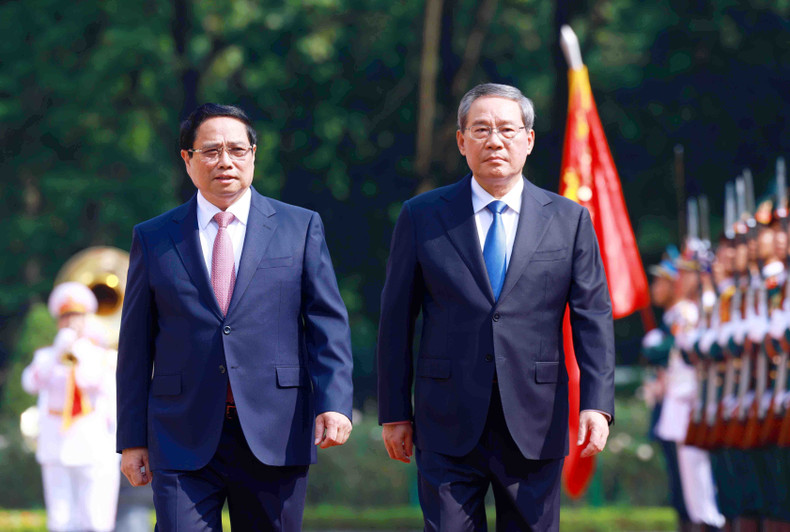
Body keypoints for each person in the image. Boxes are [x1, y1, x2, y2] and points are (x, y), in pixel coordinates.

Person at [376, 83, 615, 531]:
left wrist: (597, 405)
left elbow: (593, 319)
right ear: (461, 140)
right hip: (445, 419)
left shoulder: (568, 219)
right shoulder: (422, 215)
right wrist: (394, 411)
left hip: (536, 417)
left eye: (507, 129)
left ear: (529, 139)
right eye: (481, 129)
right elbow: (396, 321)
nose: (495, 141)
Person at [116, 103, 353, 531]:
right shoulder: (154, 237)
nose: (225, 161)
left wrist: (334, 403)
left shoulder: (299, 227)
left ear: (253, 155)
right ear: (187, 159)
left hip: (276, 430)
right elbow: (135, 347)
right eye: (211, 151)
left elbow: (327, 325)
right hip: (181, 432)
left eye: (237, 150)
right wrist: (132, 440)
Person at [22, 282, 120, 532]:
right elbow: (30, 383)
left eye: (77, 317)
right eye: (66, 317)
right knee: (60, 520)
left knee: (95, 519)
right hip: (56, 446)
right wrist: (58, 353)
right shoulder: (46, 357)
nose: (71, 323)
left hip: (93, 445)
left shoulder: (101, 355)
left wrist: (81, 351)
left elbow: (96, 382)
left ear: (87, 320)